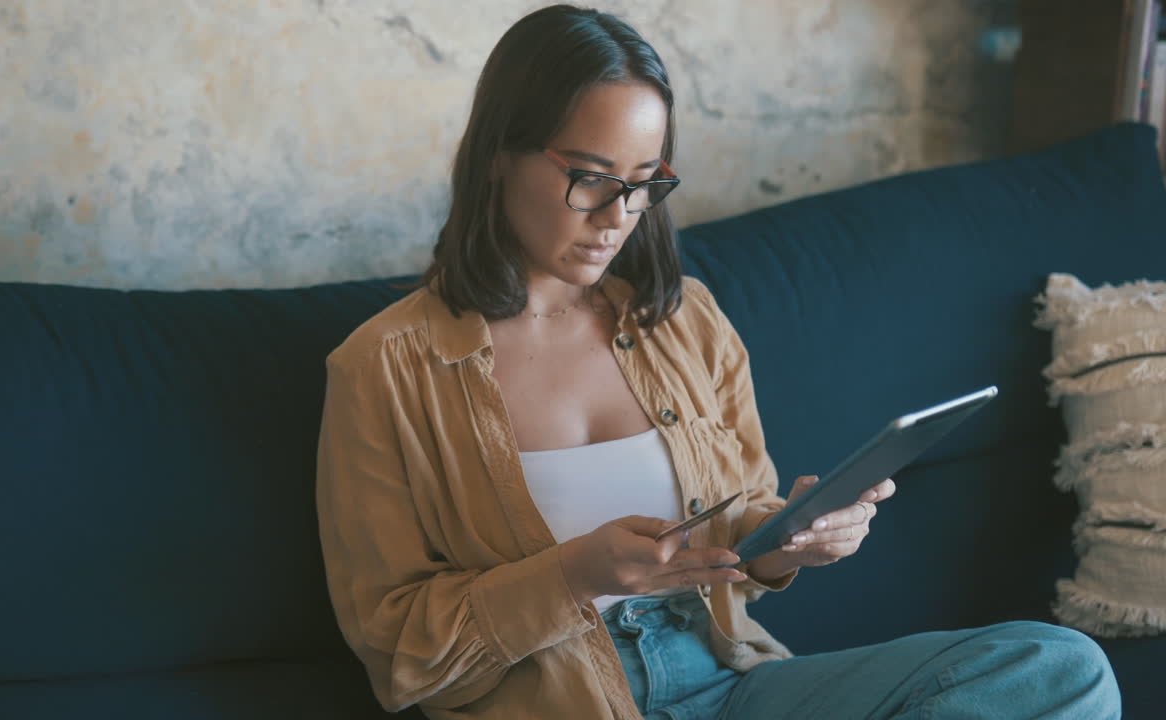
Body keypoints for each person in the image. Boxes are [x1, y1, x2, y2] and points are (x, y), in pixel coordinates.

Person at [316, 5, 1121, 719]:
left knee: (1057, 669)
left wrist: (790, 538)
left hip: (729, 681)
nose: (618, 218)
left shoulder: (685, 319)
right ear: (499, 155)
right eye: (590, 179)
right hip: (560, 698)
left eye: (644, 184)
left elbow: (739, 527)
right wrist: (570, 575)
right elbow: (400, 657)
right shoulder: (384, 368)